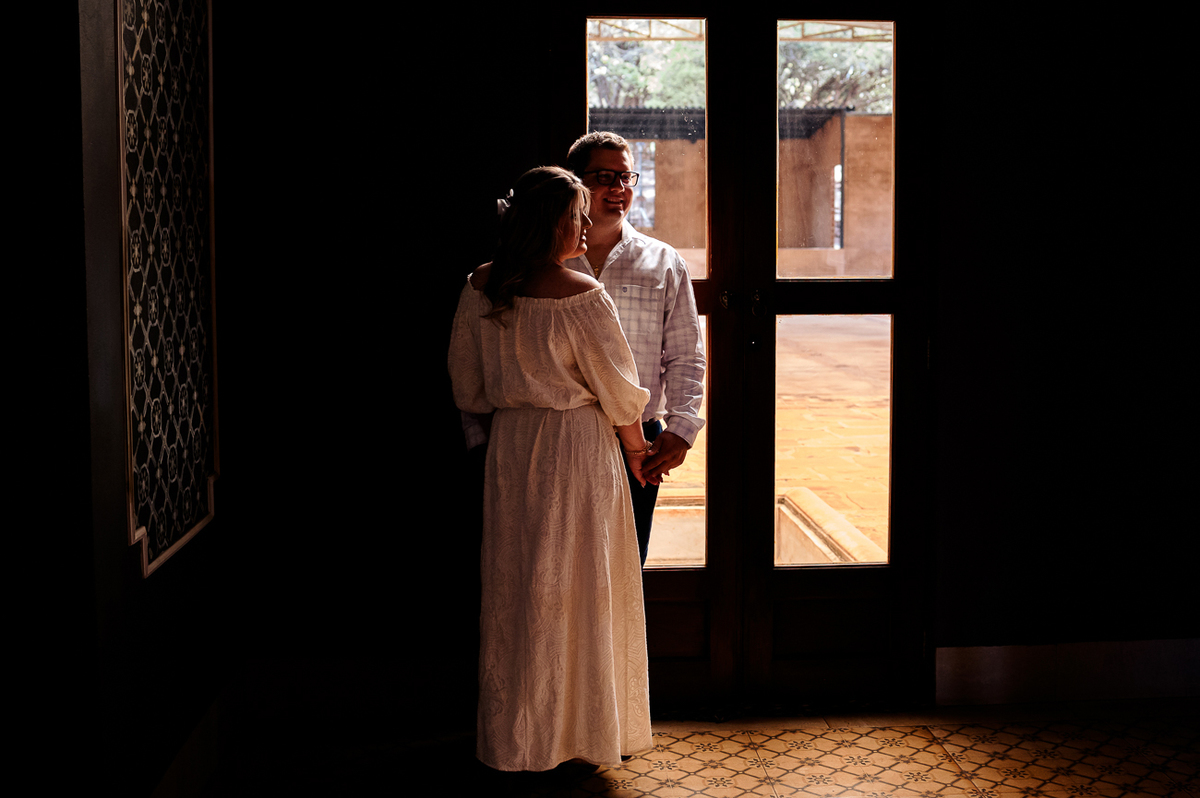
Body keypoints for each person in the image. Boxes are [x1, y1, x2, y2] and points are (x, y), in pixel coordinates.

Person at [448, 167, 654, 773]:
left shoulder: (480, 286)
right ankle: (585, 732)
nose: (587, 225)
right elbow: (619, 393)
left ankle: (520, 738)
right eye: (576, 215)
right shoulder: (583, 295)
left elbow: (467, 384)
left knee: (520, 587)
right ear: (550, 222)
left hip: (513, 449)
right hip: (578, 450)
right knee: (583, 585)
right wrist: (638, 453)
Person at [564, 131, 706, 566]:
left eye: (627, 177)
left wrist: (682, 428)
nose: (619, 189)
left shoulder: (663, 261)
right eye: (605, 177)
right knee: (560, 569)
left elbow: (685, 353)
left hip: (641, 442)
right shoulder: (544, 263)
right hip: (558, 437)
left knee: (625, 570)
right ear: (575, 182)